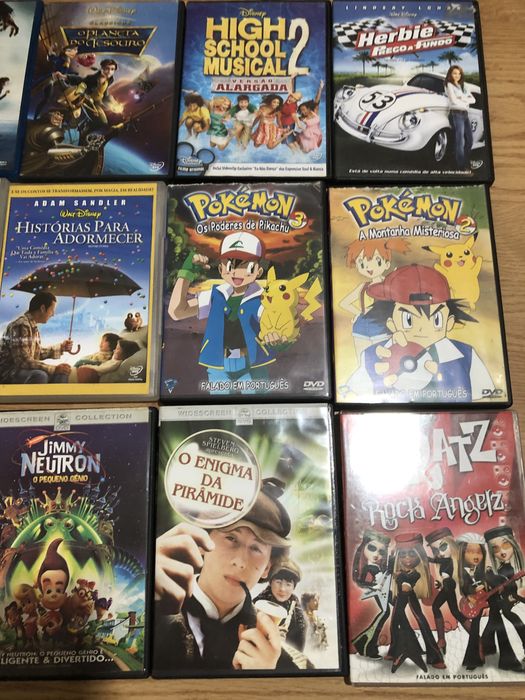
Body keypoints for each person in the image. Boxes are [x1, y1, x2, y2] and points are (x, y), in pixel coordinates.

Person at [154, 478, 303, 672]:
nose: (240, 562)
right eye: (231, 538)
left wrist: (265, 679)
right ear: (201, 542)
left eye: (256, 548)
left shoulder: (278, 661)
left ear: (267, 568)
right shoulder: (152, 609)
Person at [347, 264, 495, 401]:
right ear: (390, 323)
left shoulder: (466, 356)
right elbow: (353, 396)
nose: (422, 329)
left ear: (449, 322)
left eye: (436, 319)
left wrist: (448, 377)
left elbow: (487, 399)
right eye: (408, 320)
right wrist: (379, 381)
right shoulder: (372, 357)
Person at [168, 231, 286, 395]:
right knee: (219, 406)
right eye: (230, 266)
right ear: (221, 268)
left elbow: (278, 325)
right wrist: (186, 273)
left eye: (247, 267)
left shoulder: (263, 298)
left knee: (257, 405)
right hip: (219, 365)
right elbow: (177, 312)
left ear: (258, 271)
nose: (236, 272)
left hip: (253, 365)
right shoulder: (215, 295)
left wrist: (277, 336)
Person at [339, 238, 410, 359]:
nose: (368, 267)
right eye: (362, 263)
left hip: (383, 327)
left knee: (383, 359)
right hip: (361, 327)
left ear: (387, 264)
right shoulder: (364, 286)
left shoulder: (391, 284)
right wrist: (359, 313)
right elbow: (344, 303)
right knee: (363, 359)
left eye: (377, 261)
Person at [388, 533, 445, 673]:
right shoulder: (400, 570)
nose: (407, 558)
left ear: (419, 555)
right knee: (396, 622)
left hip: (406, 596)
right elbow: (391, 571)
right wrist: (392, 555)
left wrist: (400, 576)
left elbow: (406, 586)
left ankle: (435, 657)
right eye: (403, 555)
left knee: (419, 621)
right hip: (401, 598)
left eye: (411, 554)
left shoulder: (415, 574)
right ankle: (394, 651)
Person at [0, 292, 73, 384]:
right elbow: (23, 361)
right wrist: (54, 369)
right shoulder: (21, 325)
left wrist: (61, 347)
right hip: (8, 372)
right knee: (40, 375)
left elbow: (38, 353)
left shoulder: (32, 326)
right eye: (52, 310)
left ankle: (56, 394)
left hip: (22, 370)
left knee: (62, 373)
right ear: (43, 308)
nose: (53, 314)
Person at [483, 526, 525, 668]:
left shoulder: (508, 569)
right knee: (501, 620)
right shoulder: (501, 568)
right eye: (495, 548)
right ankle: (486, 646)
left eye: (505, 545)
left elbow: (508, 584)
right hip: (504, 599)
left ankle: (486, 646)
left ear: (513, 544)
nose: (501, 552)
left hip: (508, 599)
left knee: (512, 620)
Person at [425, 527, 470, 654]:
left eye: (443, 547)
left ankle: (442, 640)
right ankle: (443, 640)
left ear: (451, 544)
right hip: (447, 585)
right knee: (453, 611)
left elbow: (435, 560)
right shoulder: (445, 561)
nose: (439, 552)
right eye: (435, 550)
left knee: (441, 608)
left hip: (449, 586)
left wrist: (427, 558)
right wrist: (440, 584)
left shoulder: (448, 560)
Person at [352, 529, 391, 660]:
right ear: (364, 547)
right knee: (385, 612)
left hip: (383, 592)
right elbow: (361, 581)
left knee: (386, 613)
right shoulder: (368, 568)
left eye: (381, 552)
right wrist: (373, 587)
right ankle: (366, 643)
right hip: (378, 593)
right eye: (372, 548)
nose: (376, 555)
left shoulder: (379, 567)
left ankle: (364, 641)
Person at [254, 559, 307, 652]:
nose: (282, 589)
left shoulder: (298, 616)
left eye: (288, 584)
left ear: (294, 588)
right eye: (278, 582)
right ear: (270, 582)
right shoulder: (257, 604)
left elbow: (298, 652)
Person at [445, 65, 475, 170]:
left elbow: (473, 100)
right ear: (450, 74)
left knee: (470, 140)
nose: (457, 75)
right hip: (456, 114)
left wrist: (461, 97)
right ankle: (461, 166)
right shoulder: (449, 85)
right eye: (454, 73)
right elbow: (453, 101)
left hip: (465, 114)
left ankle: (463, 161)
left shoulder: (463, 86)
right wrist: (465, 99)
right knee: (460, 141)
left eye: (459, 73)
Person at [75, 339, 139, 383]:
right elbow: (114, 357)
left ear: (124, 353)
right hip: (93, 370)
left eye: (117, 349)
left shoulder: (115, 364)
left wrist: (87, 366)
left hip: (93, 374)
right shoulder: (115, 360)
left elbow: (100, 369)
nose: (114, 350)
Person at [293, 80, 324, 154]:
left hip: (317, 136)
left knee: (312, 152)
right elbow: (294, 120)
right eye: (301, 111)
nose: (302, 112)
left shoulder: (315, 112)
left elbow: (317, 100)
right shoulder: (302, 118)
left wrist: (320, 88)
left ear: (309, 108)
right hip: (306, 138)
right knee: (303, 153)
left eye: (304, 109)